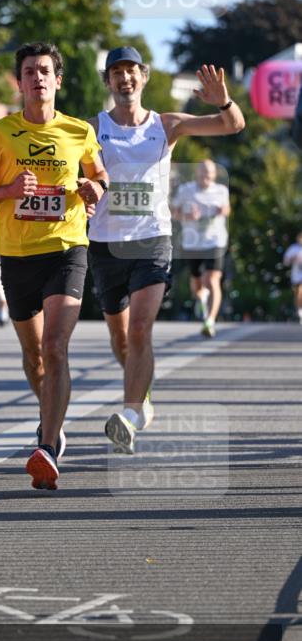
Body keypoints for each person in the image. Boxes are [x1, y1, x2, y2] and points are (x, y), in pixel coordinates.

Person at [0, 41, 109, 491]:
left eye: (45, 70)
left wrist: (93, 188)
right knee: (33, 357)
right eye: (29, 71)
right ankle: (52, 417)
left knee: (55, 347)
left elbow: (101, 178)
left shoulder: (79, 131)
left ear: (58, 80)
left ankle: (46, 446)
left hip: (66, 248)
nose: (38, 78)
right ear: (20, 81)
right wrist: (7, 190)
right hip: (17, 256)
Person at [87, 46, 245, 455]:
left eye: (131, 71)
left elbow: (232, 124)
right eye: (116, 72)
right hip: (105, 244)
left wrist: (223, 100)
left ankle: (131, 415)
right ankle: (144, 397)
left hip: (152, 240)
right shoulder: (91, 128)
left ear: (144, 77)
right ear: (108, 81)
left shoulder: (167, 125)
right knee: (121, 340)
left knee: (140, 329)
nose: (125, 79)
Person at [171, 158, 230, 337]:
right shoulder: (185, 190)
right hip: (192, 242)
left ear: (214, 174)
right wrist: (186, 215)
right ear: (197, 173)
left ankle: (210, 320)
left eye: (209, 172)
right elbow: (172, 210)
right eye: (203, 171)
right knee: (197, 282)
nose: (206, 175)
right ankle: (201, 298)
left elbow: (227, 209)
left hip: (215, 241)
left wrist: (222, 211)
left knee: (212, 280)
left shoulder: (221, 190)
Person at [283, 231, 302, 324]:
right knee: (298, 294)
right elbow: (286, 261)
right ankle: (299, 312)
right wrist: (292, 259)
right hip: (297, 276)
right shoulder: (293, 249)